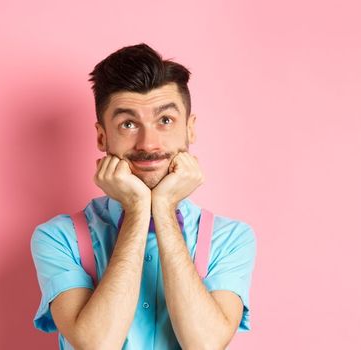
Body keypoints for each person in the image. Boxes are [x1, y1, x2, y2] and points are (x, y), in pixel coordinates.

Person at [30, 43, 257, 349]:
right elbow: (97, 344)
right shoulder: (59, 237)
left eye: (165, 121)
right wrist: (138, 209)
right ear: (102, 136)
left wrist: (162, 209)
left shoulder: (230, 238)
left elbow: (206, 345)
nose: (149, 144)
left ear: (190, 130)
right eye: (128, 124)